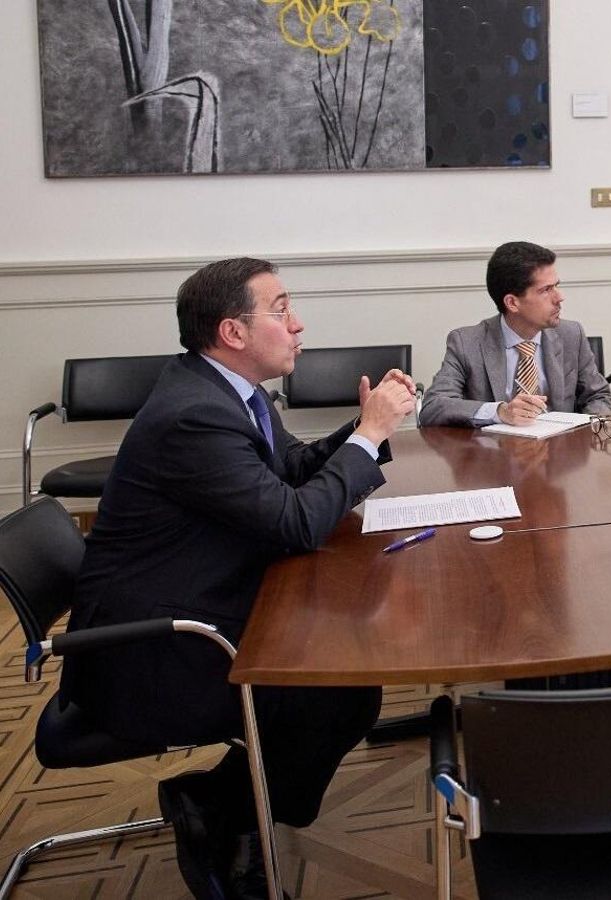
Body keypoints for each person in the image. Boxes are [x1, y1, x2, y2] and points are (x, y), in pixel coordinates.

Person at [63, 258, 416, 899]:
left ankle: (224, 804)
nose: (298, 323)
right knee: (333, 689)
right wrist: (367, 437)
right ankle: (219, 808)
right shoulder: (193, 414)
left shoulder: (229, 391)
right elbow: (295, 520)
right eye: (281, 310)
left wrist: (363, 428)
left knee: (343, 676)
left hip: (206, 599)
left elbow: (285, 473)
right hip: (154, 647)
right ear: (233, 332)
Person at [420, 241, 611, 427]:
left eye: (556, 285)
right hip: (494, 455)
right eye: (546, 290)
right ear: (512, 303)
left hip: (560, 453)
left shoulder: (571, 335)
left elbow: (598, 396)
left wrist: (583, 433)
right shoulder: (467, 343)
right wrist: (499, 412)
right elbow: (433, 406)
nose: (560, 297)